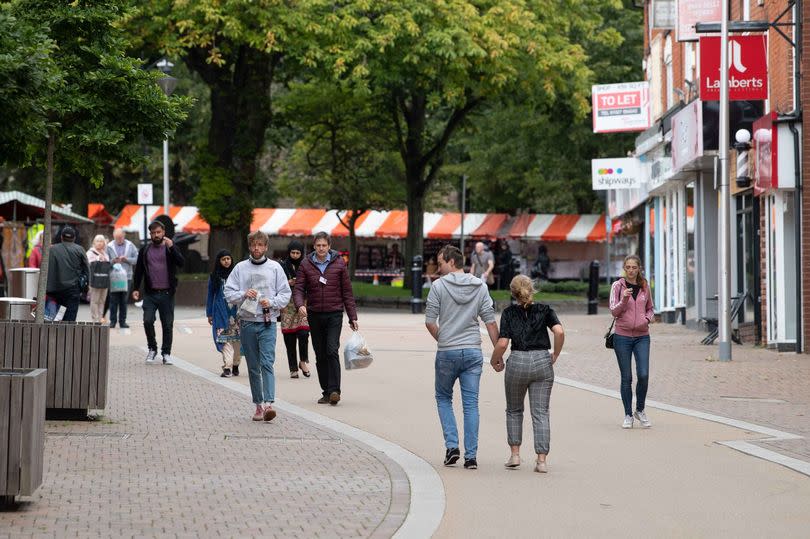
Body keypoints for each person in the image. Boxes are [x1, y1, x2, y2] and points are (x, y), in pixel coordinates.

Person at [424, 244, 498, 470]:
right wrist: (497, 354)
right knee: (471, 404)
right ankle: (471, 457)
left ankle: (452, 446)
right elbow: (490, 321)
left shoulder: (437, 287)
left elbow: (429, 321)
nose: (438, 267)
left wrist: (444, 339)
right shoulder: (480, 287)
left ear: (452, 262)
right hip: (473, 351)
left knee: (443, 398)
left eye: (441, 263)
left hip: (447, 351)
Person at [490, 275, 564, 473]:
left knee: (514, 410)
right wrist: (555, 353)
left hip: (518, 361)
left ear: (512, 292)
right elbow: (559, 332)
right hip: (542, 361)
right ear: (532, 289)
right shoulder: (545, 310)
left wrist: (494, 359)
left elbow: (503, 343)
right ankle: (541, 460)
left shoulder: (508, 313)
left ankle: (515, 454)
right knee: (541, 412)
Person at [224, 231, 291, 421]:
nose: (256, 248)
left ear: (266, 247)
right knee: (253, 366)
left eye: (260, 245)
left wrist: (271, 302)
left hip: (267, 322)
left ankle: (269, 403)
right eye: (253, 245)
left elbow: (285, 294)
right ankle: (258, 405)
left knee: (267, 362)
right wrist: (244, 294)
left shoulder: (275, 268)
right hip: (247, 323)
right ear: (249, 246)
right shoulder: (240, 268)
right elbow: (228, 292)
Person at [293, 231, 358, 406]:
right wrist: (300, 305)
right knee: (320, 354)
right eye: (318, 245)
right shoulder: (306, 264)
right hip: (314, 314)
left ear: (329, 246)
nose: (321, 248)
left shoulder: (339, 263)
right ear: (314, 246)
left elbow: (347, 291)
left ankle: (335, 390)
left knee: (331, 350)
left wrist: (352, 316)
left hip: (334, 313)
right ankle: (326, 392)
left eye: (324, 245)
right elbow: (299, 288)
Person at [609, 254, 655, 429]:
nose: (630, 270)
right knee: (626, 377)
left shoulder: (644, 286)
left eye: (634, 267)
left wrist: (647, 319)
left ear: (639, 269)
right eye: (627, 267)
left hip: (642, 336)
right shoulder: (617, 286)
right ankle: (628, 414)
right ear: (624, 268)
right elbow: (614, 311)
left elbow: (650, 308)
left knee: (643, 374)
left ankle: (640, 410)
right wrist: (624, 299)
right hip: (622, 337)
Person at [132, 220, 184, 365]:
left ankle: (166, 353)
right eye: (153, 233)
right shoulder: (145, 250)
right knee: (147, 321)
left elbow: (181, 263)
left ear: (163, 232)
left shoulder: (170, 248)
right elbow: (139, 271)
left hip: (167, 294)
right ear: (150, 234)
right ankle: (152, 348)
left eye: (158, 232)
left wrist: (172, 247)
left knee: (167, 324)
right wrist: (136, 288)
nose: (156, 235)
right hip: (150, 293)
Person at [206, 250, 241, 378]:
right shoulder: (214, 276)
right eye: (223, 259)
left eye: (228, 258)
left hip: (236, 313)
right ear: (219, 261)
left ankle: (235, 364)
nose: (226, 261)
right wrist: (209, 313)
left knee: (237, 340)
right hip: (220, 312)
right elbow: (210, 296)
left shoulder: (238, 275)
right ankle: (227, 367)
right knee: (224, 339)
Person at [279, 240, 311, 379]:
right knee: (289, 337)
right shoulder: (281, 266)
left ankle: (303, 361)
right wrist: (288, 283)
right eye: (293, 252)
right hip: (287, 304)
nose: (295, 255)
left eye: (298, 253)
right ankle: (293, 368)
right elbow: (275, 284)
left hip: (303, 303)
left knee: (304, 334)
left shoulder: (306, 265)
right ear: (289, 252)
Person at [45, 226, 89, 322]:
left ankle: (55, 336)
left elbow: (45, 269)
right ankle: (67, 337)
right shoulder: (79, 249)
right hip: (73, 290)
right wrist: (85, 288)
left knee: (55, 318)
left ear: (61, 237)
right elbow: (86, 270)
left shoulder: (52, 250)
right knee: (69, 319)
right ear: (74, 238)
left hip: (55, 291)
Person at [106, 228, 138, 328]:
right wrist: (113, 261)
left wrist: (126, 259)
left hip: (126, 277)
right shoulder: (109, 246)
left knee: (123, 300)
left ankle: (122, 321)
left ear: (124, 235)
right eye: (116, 238)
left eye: (120, 237)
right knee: (113, 300)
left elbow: (137, 259)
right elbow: (106, 261)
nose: (119, 239)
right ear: (113, 236)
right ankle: (112, 321)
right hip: (114, 277)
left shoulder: (130, 245)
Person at [86, 235, 110, 324]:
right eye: (98, 241)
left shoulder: (105, 253)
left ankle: (101, 318)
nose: (100, 243)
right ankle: (95, 319)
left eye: (101, 241)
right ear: (94, 243)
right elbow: (88, 264)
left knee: (102, 301)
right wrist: (97, 259)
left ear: (104, 243)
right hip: (94, 280)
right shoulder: (90, 252)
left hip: (104, 280)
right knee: (94, 300)